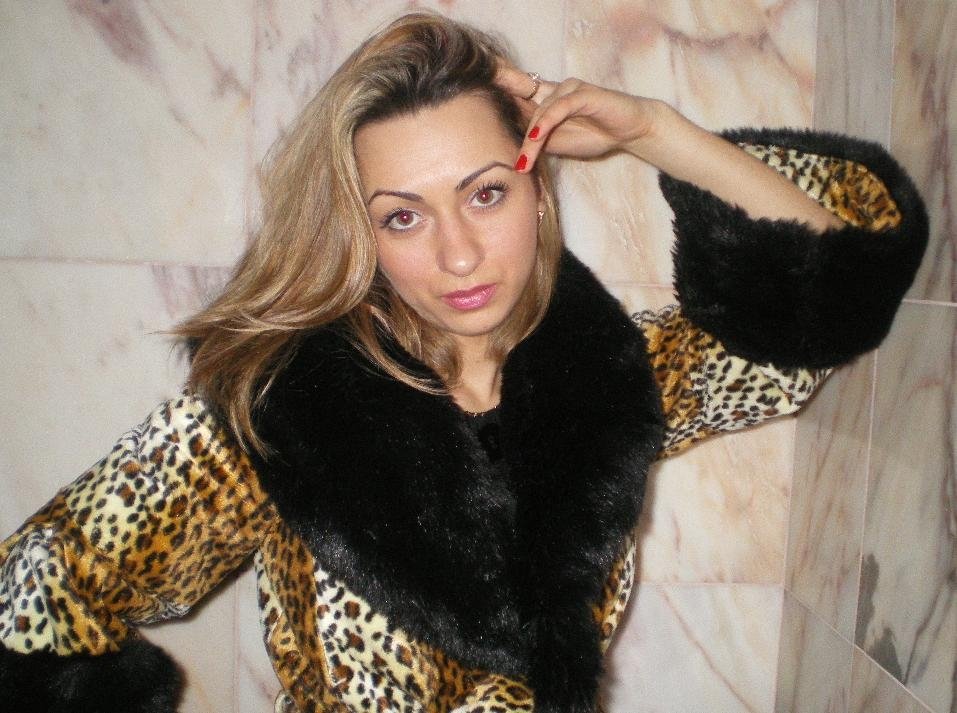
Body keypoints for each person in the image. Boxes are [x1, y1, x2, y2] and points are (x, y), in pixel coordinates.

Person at [0, 12, 927, 713]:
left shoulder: (612, 375)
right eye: (403, 216)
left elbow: (825, 303)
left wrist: (653, 130)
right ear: (360, 233)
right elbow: (38, 598)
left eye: (485, 193)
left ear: (537, 188)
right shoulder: (279, 409)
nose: (457, 254)